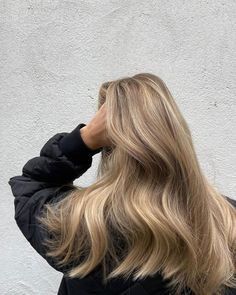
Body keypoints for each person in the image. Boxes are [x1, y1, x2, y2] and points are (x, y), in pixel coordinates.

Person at [8, 73, 236, 295]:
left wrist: (84, 140)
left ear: (110, 144)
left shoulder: (85, 223)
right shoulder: (227, 222)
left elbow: (32, 185)